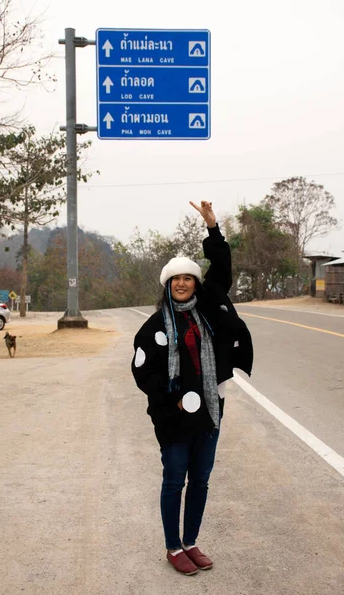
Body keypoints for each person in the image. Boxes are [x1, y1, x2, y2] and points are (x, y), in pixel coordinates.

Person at [131, 200, 253, 576]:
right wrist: (173, 401)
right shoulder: (154, 326)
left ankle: (191, 541)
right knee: (175, 478)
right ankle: (172, 546)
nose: (182, 283)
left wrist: (213, 229)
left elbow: (223, 269)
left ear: (196, 283)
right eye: (175, 279)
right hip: (173, 416)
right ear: (167, 285)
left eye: (188, 278)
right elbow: (142, 373)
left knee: (201, 479)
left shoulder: (209, 310)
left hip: (210, 410)